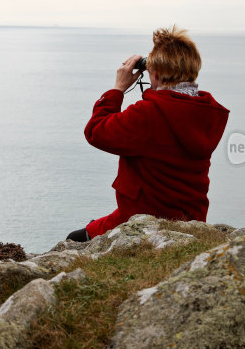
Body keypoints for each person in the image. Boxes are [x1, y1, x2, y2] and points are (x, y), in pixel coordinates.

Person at [67, 26, 229, 242]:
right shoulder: (207, 112)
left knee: (75, 239)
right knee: (95, 225)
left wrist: (117, 89)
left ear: (157, 74)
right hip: (191, 219)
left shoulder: (149, 115)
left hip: (143, 219)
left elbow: (96, 131)